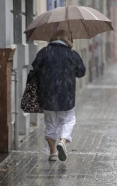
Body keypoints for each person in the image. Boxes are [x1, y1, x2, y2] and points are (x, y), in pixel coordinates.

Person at [32, 30, 86, 161]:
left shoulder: (44, 52)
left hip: (47, 95)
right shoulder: (72, 54)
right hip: (66, 95)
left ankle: (52, 153)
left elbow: (35, 69)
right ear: (66, 39)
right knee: (68, 120)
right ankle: (62, 141)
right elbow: (81, 72)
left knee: (50, 124)